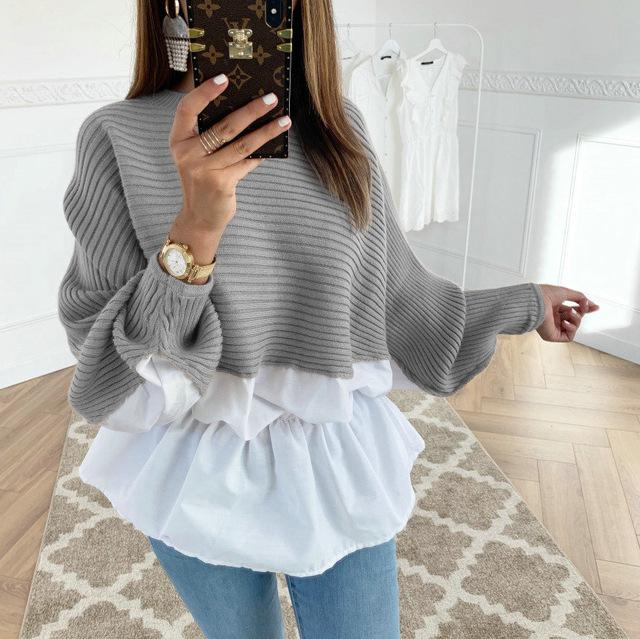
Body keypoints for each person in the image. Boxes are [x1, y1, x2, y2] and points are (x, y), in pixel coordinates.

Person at [56, 0, 599, 637]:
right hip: (191, 460)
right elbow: (105, 357)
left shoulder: (340, 127)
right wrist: (196, 228)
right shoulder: (115, 135)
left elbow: (398, 294)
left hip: (334, 456)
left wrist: (526, 302)